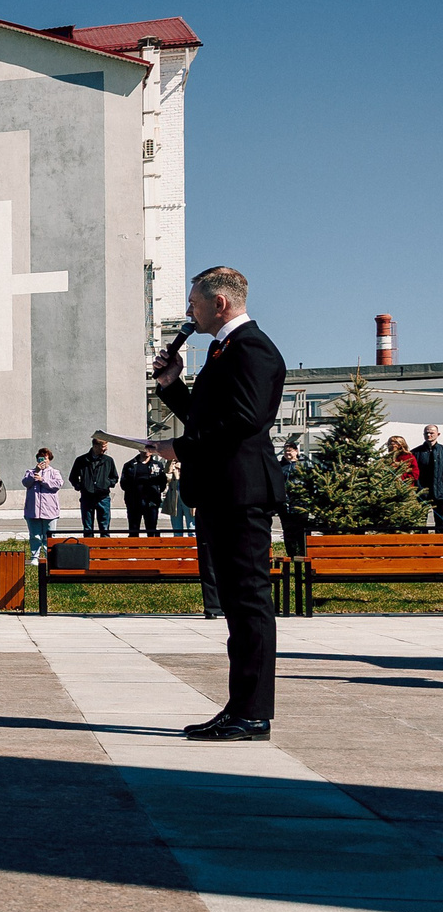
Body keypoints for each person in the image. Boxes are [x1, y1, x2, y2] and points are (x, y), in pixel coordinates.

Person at [150, 266, 286, 741]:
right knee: (235, 603)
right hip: (220, 491)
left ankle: (253, 714)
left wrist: (180, 448)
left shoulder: (253, 349)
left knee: (249, 603)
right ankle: (240, 707)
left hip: (242, 492)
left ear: (220, 303)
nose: (189, 311)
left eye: (194, 302)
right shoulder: (221, 350)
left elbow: (246, 421)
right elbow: (207, 418)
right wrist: (172, 386)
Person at [20, 449, 65, 561]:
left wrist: (43, 480)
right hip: (33, 510)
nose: (43, 461)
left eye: (45, 458)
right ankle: (35, 556)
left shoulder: (55, 472)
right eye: (40, 458)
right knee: (35, 535)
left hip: (49, 510)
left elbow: (58, 485)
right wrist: (36, 471)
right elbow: (25, 483)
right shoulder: (30, 472)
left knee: (49, 536)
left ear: (49, 460)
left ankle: (49, 556)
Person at [68, 438, 117, 535]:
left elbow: (114, 477)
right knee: (88, 527)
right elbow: (73, 477)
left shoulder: (108, 461)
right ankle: (89, 548)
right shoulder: (81, 460)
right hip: (87, 497)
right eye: (103, 447)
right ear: (95, 446)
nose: (105, 449)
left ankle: (105, 549)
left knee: (104, 526)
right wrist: (81, 486)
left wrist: (106, 483)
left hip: (103, 498)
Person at [120, 445, 167, 538]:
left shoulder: (158, 465)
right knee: (133, 529)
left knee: (151, 529)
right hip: (134, 502)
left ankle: (152, 550)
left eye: (149, 449)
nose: (146, 451)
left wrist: (156, 491)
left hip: (151, 502)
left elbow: (162, 482)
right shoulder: (130, 465)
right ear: (139, 449)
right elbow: (123, 483)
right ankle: (134, 551)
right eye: (144, 449)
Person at [417, 425, 443, 531]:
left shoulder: (442, 451)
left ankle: (439, 546)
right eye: (426, 433)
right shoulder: (416, 452)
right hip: (422, 493)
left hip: (441, 493)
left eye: (431, 433)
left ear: (438, 434)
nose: (428, 435)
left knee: (441, 523)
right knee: (420, 522)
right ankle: (422, 546)